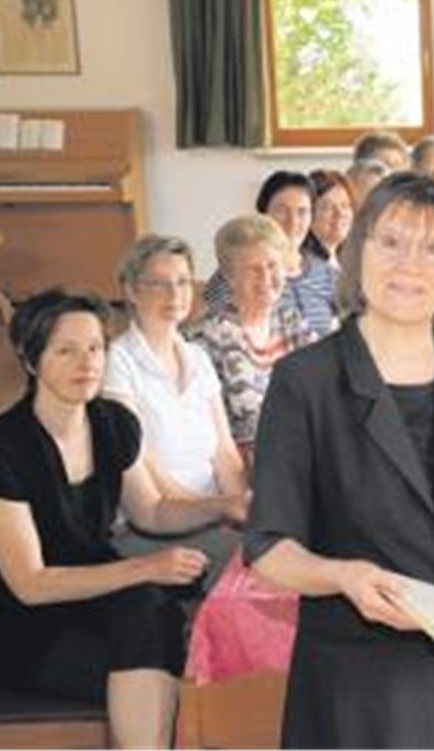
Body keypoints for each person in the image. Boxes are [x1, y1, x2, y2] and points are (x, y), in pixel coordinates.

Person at [244, 173, 434, 748]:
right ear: (359, 248)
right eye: (391, 242)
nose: (409, 265)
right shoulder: (305, 381)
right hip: (363, 691)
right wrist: (340, 575)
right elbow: (269, 547)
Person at [0, 290, 246, 747]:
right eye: (65, 350)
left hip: (98, 598)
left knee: (151, 612)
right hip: (24, 623)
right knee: (157, 632)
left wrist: (223, 506)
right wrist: (147, 567)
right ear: (32, 361)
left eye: (95, 348)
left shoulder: (112, 422)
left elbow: (151, 511)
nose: (85, 362)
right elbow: (31, 584)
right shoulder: (2, 448)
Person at [105, 235, 249, 586]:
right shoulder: (116, 363)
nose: (174, 295)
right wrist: (221, 508)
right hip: (155, 531)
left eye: (183, 282)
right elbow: (151, 477)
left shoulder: (197, 357)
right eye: (158, 284)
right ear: (130, 290)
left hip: (212, 513)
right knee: (264, 568)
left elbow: (225, 454)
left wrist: (242, 505)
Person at [187, 215, 313, 453]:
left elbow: (322, 392)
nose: (265, 278)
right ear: (229, 277)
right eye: (253, 270)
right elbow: (210, 433)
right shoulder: (206, 339)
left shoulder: (292, 322)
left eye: (272, 265)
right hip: (242, 466)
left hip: (302, 453)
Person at [204, 171, 339, 338]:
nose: (293, 221)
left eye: (302, 211)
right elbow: (212, 324)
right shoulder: (236, 272)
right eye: (282, 211)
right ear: (263, 214)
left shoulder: (327, 273)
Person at [305, 169, 355, 270]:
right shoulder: (305, 265)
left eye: (345, 205)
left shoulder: (348, 260)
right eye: (327, 207)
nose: (340, 213)